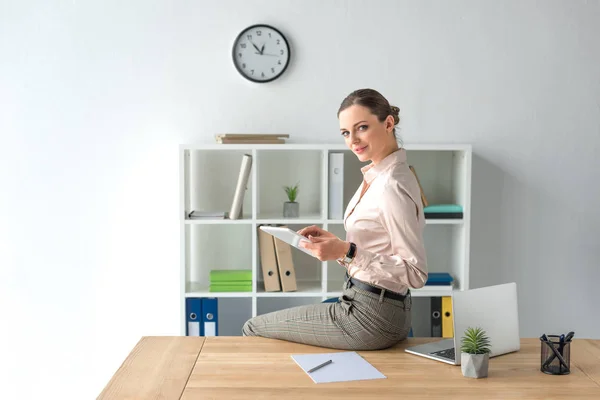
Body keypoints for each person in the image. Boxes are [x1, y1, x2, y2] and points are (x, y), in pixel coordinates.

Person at [242, 88, 428, 350]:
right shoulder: (377, 177)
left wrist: (348, 251)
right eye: (345, 133)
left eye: (361, 127)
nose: (352, 140)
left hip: (372, 315)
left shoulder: (390, 185)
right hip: (366, 301)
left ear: (388, 123)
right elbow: (377, 248)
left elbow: (415, 273)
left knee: (253, 328)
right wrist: (338, 248)